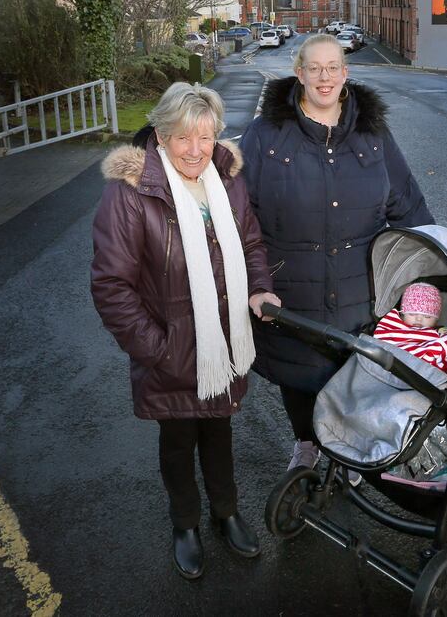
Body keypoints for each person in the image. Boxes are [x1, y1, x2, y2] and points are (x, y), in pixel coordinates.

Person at [91, 83, 280, 580]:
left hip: (224, 342)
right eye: (182, 138)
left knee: (219, 432)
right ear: (160, 136)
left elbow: (252, 242)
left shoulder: (227, 177)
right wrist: (159, 350)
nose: (195, 150)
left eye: (205, 136)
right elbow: (112, 286)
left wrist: (259, 289)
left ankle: (226, 512)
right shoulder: (131, 194)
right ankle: (185, 524)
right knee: (177, 443)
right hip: (171, 352)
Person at [239, 33, 433, 472]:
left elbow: (408, 204)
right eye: (314, 68)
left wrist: (427, 276)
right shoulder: (265, 135)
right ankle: (305, 443)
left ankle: (346, 449)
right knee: (299, 372)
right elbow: (239, 213)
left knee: (353, 372)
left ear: (345, 73)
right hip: (292, 283)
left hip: (358, 283)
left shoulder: (373, 135)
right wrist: (253, 280)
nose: (324, 77)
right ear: (299, 73)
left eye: (333, 67)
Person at [373, 282, 447, 373]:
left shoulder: (438, 333)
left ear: (436, 320)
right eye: (412, 314)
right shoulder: (392, 325)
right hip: (390, 360)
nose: (418, 319)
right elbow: (382, 338)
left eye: (427, 316)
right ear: (403, 314)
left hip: (414, 370)